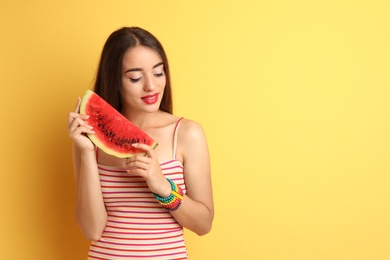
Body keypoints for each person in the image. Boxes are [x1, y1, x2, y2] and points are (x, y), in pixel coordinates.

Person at [67, 27, 214, 259]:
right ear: (115, 80)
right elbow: (92, 229)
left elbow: (203, 225)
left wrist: (164, 188)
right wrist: (86, 152)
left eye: (158, 73)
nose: (151, 86)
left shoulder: (186, 134)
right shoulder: (89, 138)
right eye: (135, 77)